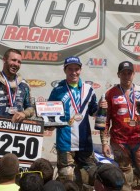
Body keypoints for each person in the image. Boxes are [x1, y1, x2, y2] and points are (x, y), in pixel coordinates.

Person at [47, 56, 107, 186]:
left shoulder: (88, 89)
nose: (73, 72)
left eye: (76, 69)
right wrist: (48, 123)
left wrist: (101, 108)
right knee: (66, 177)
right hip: (65, 142)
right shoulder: (57, 90)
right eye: (70, 69)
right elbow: (49, 114)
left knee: (90, 178)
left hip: (85, 142)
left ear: (80, 70)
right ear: (65, 70)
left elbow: (93, 111)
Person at [100, 61, 140, 191]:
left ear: (134, 74)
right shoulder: (110, 94)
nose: (126, 76)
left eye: (129, 73)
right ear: (118, 75)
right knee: (125, 174)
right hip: (119, 141)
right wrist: (104, 143)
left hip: (139, 140)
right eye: (123, 73)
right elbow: (105, 121)